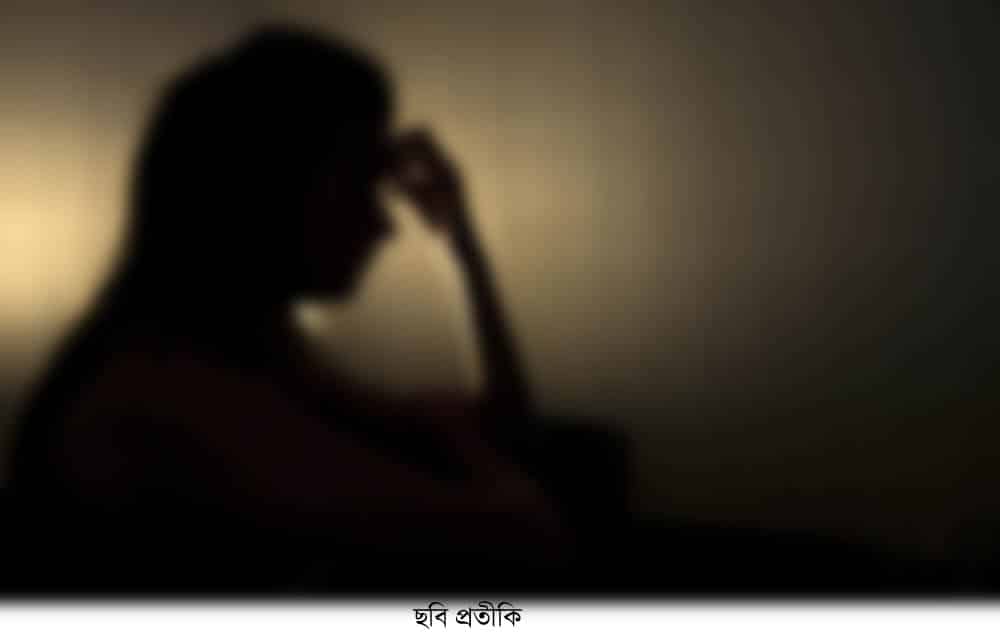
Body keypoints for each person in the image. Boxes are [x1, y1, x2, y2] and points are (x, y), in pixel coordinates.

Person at [6, 25, 592, 593]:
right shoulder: (165, 391)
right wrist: (457, 442)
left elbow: (506, 427)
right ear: (268, 185)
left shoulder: (257, 355)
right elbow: (531, 536)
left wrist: (460, 243)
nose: (385, 225)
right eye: (357, 182)